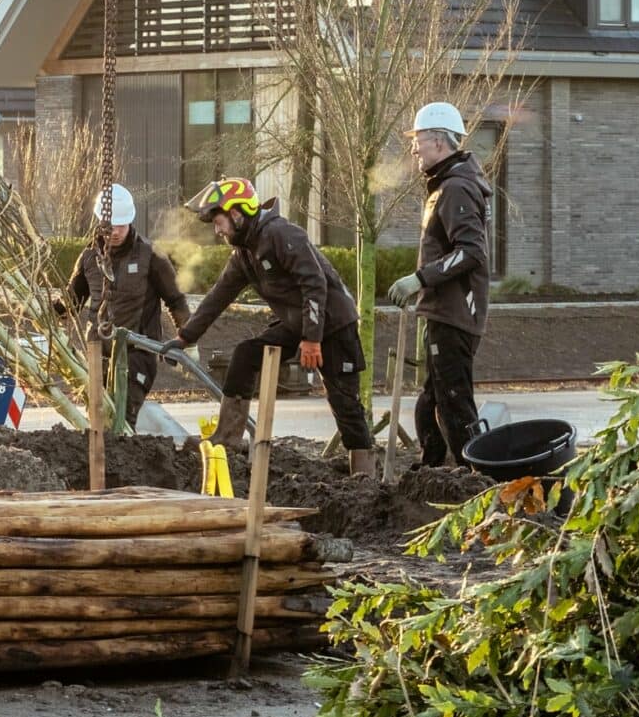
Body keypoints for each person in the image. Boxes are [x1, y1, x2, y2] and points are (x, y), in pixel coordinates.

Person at [173, 178, 375, 475]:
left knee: (343, 401)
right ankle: (228, 438)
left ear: (237, 213)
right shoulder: (244, 253)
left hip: (332, 324)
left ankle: (364, 475)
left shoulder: (282, 234)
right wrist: (184, 337)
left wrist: (311, 338)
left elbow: (314, 284)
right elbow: (218, 297)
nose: (217, 230)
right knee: (246, 354)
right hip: (297, 323)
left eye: (218, 222)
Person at [387, 102, 492, 467]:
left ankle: (475, 478)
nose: (413, 148)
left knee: (452, 403)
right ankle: (431, 470)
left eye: (418, 140)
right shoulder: (445, 186)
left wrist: (419, 278)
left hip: (455, 316)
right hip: (444, 313)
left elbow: (472, 251)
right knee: (431, 402)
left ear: (438, 141)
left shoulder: (456, 189)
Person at [64, 184, 189, 425]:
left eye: (121, 225)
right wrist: (49, 312)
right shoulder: (90, 258)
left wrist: (187, 340)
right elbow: (71, 301)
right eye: (111, 226)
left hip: (137, 352)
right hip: (97, 353)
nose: (116, 232)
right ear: (100, 222)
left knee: (124, 415)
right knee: (98, 422)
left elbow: (176, 300)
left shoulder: (150, 256)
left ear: (130, 221)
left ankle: (119, 456)